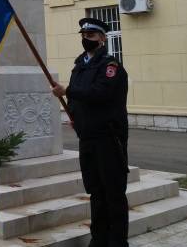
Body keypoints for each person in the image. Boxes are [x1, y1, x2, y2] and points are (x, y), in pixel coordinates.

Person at [52, 18, 129, 247]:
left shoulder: (110, 66)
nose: (87, 39)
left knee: (113, 192)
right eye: (84, 35)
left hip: (108, 138)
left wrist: (68, 90)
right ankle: (99, 238)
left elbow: (99, 94)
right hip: (87, 139)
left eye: (92, 35)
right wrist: (75, 118)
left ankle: (117, 241)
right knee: (96, 192)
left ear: (103, 38)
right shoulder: (79, 66)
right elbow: (77, 100)